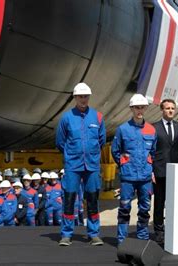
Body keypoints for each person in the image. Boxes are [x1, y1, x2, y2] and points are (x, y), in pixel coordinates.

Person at [56, 82, 105, 246]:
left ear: (89, 97)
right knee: (69, 199)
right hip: (73, 166)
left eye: (85, 96)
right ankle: (66, 235)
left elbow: (101, 140)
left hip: (91, 166)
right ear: (75, 98)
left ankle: (93, 234)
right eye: (80, 97)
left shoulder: (97, 117)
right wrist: (72, 155)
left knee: (92, 199)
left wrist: (90, 153)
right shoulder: (67, 117)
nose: (83, 99)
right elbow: (60, 142)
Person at [112, 93, 157, 244]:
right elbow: (115, 151)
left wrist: (150, 168)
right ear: (131, 108)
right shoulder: (123, 130)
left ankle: (142, 237)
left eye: (142, 107)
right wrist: (124, 165)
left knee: (144, 208)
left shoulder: (151, 130)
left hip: (145, 177)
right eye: (137, 107)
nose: (139, 110)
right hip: (128, 177)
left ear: (145, 109)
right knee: (124, 208)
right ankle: (122, 239)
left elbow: (153, 152)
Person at [151, 99, 178, 245]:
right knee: (159, 203)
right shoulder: (154, 128)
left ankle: (174, 229)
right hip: (159, 171)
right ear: (162, 110)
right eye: (167, 108)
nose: (171, 110)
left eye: (173, 108)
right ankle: (159, 231)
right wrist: (151, 170)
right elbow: (151, 150)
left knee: (174, 203)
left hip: (176, 171)